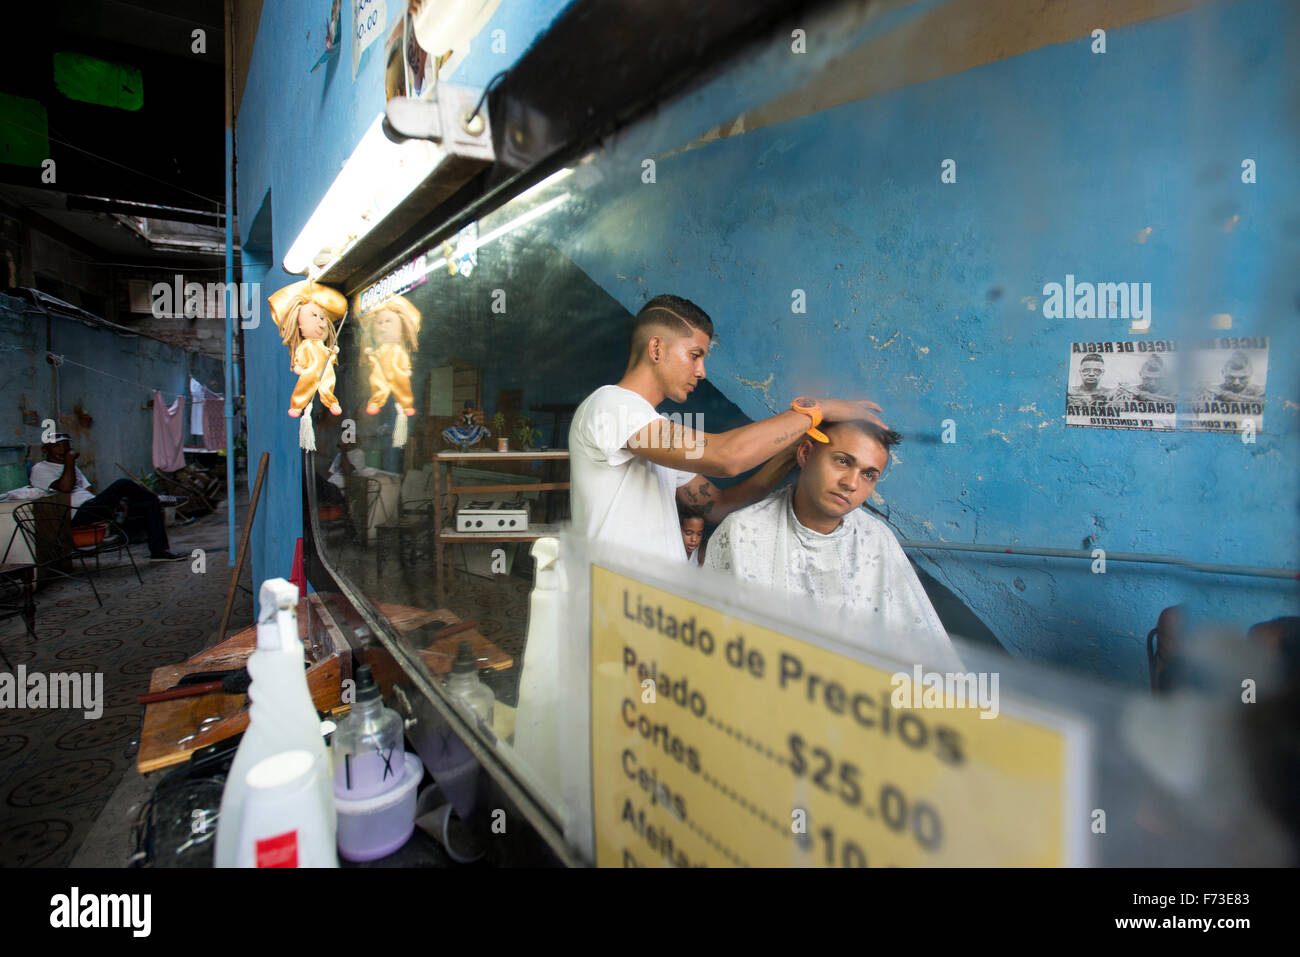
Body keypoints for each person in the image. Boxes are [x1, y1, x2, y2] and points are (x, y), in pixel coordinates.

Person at [569, 294, 882, 561]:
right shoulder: (611, 406)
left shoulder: (654, 431)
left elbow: (720, 506)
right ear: (656, 349)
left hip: (655, 611)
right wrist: (818, 409)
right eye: (695, 355)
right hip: (615, 607)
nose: (701, 371)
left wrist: (789, 454)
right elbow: (726, 457)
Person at [704, 419, 955, 662]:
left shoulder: (876, 539)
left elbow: (930, 654)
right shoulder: (743, 532)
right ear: (805, 454)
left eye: (868, 475)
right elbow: (711, 648)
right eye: (843, 461)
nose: (851, 484)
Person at [28, 434, 185, 561]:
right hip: (76, 512)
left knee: (149, 505)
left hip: (92, 505)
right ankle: (158, 498)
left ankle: (159, 551)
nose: (63, 450)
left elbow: (89, 490)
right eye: (57, 446)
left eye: (66, 445)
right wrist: (70, 460)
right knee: (123, 483)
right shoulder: (40, 469)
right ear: (45, 450)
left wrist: (116, 501)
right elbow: (65, 488)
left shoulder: (71, 467)